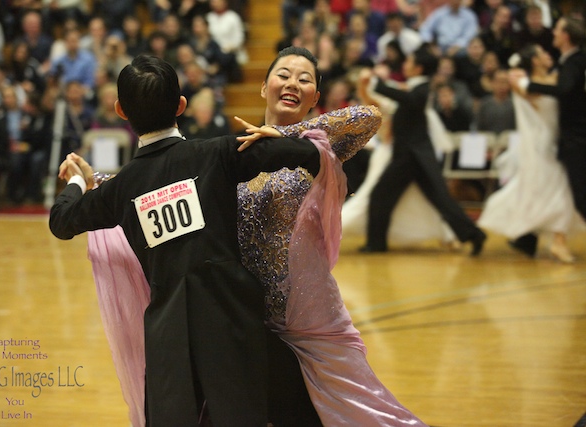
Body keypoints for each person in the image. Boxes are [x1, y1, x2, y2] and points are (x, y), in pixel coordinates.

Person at [86, 47, 427, 426]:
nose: (293, 83)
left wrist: (287, 137)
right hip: (242, 315)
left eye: (305, 79)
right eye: (283, 74)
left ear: (315, 97)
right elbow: (161, 180)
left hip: (305, 321)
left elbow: (368, 117)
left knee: (357, 415)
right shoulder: (236, 150)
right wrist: (98, 183)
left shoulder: (318, 146)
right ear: (264, 87)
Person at [49, 54, 326, 427]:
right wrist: (284, 140)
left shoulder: (124, 187)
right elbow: (307, 153)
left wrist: (78, 183)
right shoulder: (216, 153)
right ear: (181, 106)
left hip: (169, 337)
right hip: (233, 321)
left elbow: (62, 221)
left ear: (120, 111)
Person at [359, 45, 487, 255]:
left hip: (411, 156)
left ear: (418, 68)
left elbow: (408, 98)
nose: (405, 65)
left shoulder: (422, 89)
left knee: (384, 195)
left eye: (409, 62)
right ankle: (473, 235)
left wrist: (377, 84)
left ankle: (376, 243)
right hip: (412, 156)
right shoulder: (415, 87)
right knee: (437, 199)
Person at [479, 44, 585, 263]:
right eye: (543, 53)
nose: (548, 55)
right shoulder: (524, 83)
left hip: (555, 141)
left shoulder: (555, 78)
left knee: (543, 190)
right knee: (559, 190)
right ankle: (558, 241)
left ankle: (527, 237)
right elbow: (528, 86)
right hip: (541, 143)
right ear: (535, 61)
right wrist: (517, 74)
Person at [508, 16, 586, 257]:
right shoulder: (562, 66)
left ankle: (535, 238)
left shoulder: (572, 62)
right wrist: (524, 81)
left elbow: (562, 89)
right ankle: (530, 238)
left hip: (572, 139)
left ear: (566, 36)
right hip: (550, 141)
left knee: (574, 193)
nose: (553, 33)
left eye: (558, 30)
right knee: (554, 188)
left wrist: (530, 85)